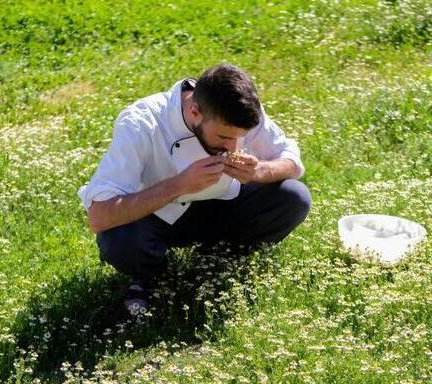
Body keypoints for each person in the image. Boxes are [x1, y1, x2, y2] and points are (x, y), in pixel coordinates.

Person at [78, 63, 312, 315]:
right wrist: (179, 185)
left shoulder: (239, 109)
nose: (233, 148)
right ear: (195, 111)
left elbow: (291, 161)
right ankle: (151, 276)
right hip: (159, 217)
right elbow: (98, 216)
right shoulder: (142, 122)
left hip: (225, 205)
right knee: (119, 240)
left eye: (239, 138)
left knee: (294, 197)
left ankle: (222, 257)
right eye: (224, 137)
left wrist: (259, 171)